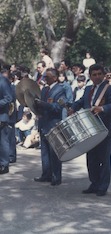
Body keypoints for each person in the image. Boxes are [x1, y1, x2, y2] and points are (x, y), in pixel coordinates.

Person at [69, 64, 111, 196]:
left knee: (104, 159)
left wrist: (103, 109)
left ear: (104, 75)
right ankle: (94, 184)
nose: (97, 76)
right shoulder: (87, 89)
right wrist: (72, 108)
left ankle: (102, 187)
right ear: (90, 76)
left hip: (105, 128)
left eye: (100, 74)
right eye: (95, 74)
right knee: (91, 158)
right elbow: (81, 101)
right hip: (90, 129)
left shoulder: (109, 89)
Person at [34, 68, 66, 186]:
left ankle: (56, 176)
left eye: (47, 77)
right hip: (44, 123)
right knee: (45, 152)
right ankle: (46, 174)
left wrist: (45, 105)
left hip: (53, 124)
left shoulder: (60, 90)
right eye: (44, 77)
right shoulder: (45, 89)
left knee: (54, 152)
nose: (44, 79)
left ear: (54, 77)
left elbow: (59, 107)